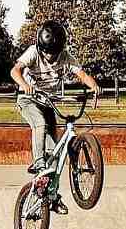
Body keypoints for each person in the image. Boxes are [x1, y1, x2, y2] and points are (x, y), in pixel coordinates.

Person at [10, 20, 100, 212]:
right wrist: (24, 85)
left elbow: (81, 74)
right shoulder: (33, 51)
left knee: (56, 153)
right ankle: (38, 163)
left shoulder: (66, 56)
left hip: (48, 103)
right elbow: (15, 70)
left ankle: (52, 197)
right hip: (28, 100)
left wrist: (93, 86)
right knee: (40, 124)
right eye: (47, 53)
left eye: (54, 54)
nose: (51, 58)